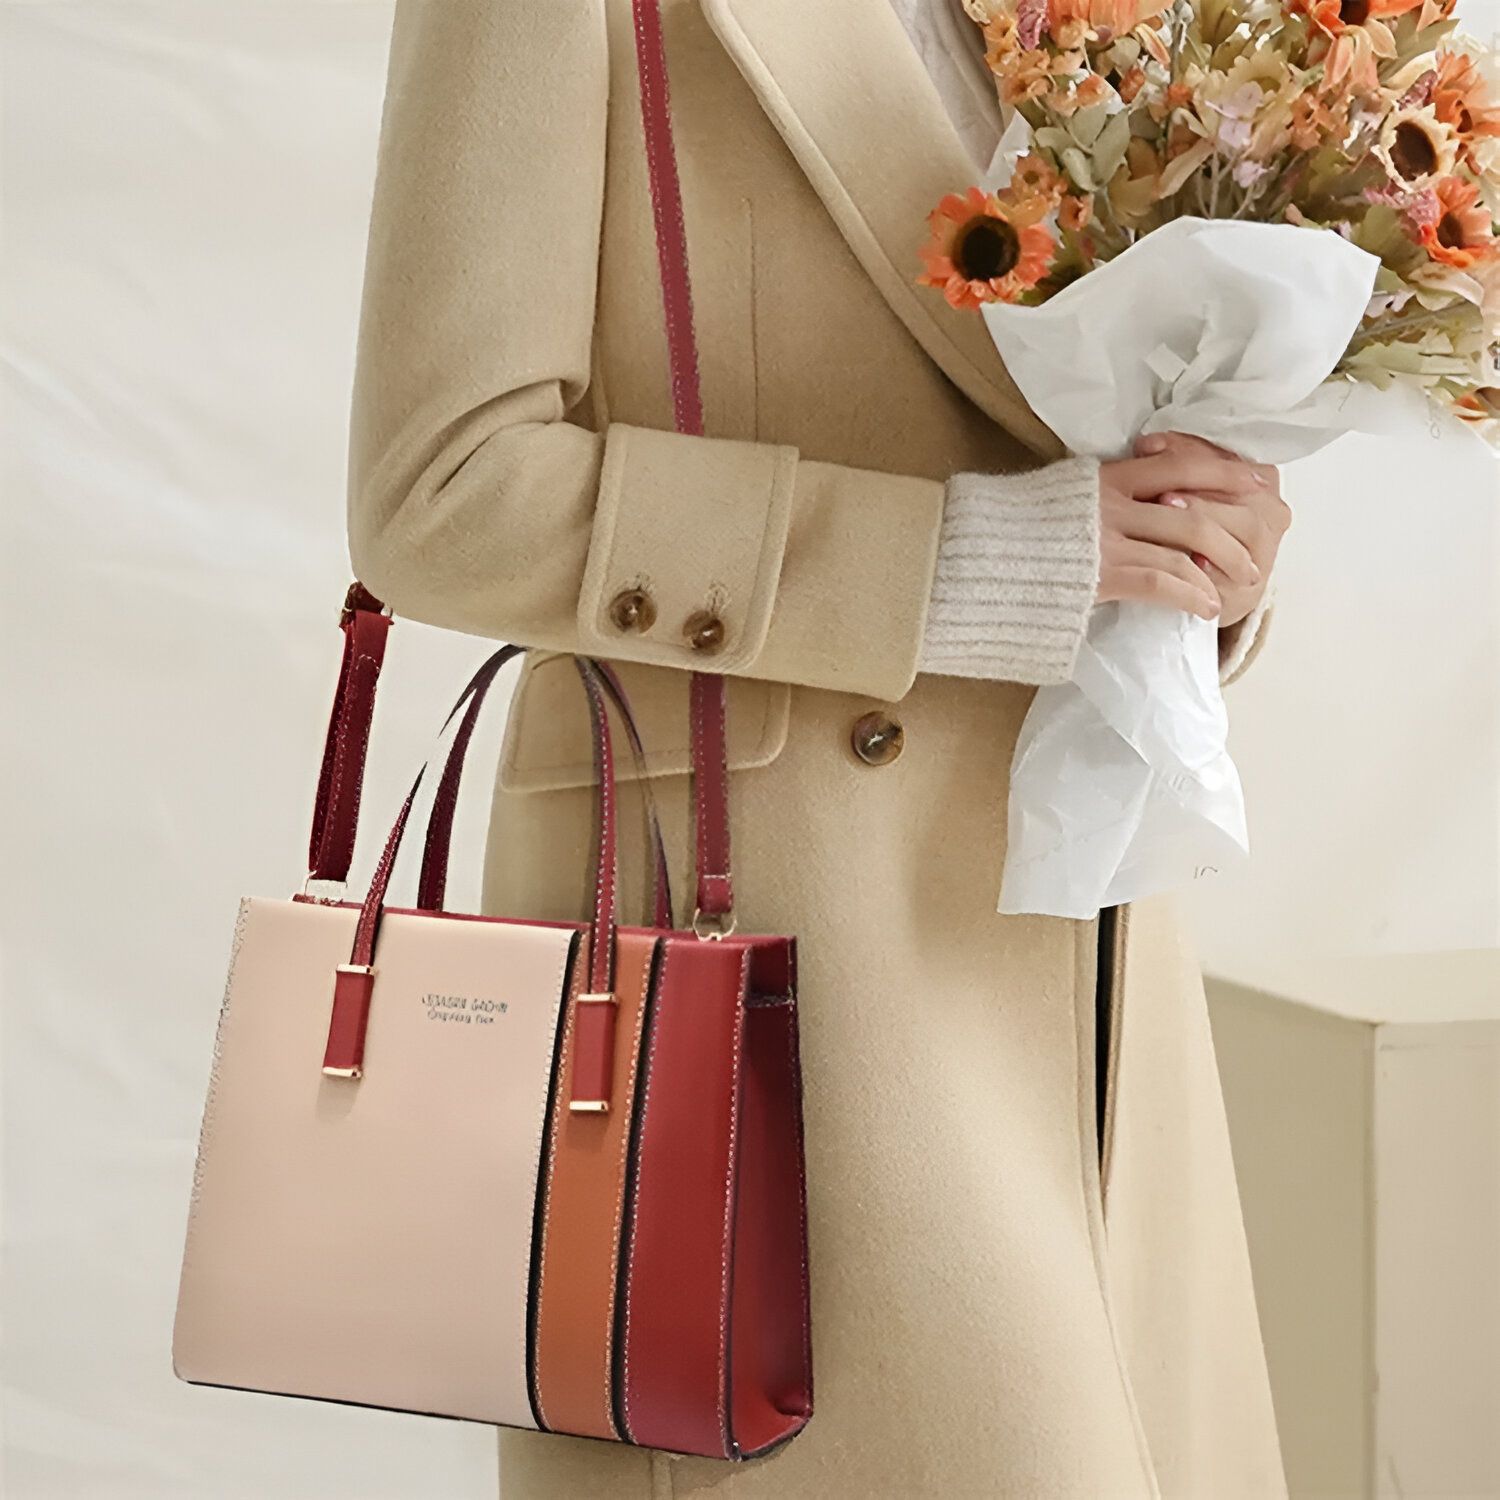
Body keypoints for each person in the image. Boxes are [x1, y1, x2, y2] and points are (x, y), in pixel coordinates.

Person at [346, 1, 1291, 1494]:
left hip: (1089, 920)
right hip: (788, 940)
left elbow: (1069, 418)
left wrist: (1202, 554)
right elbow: (445, 492)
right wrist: (954, 560)